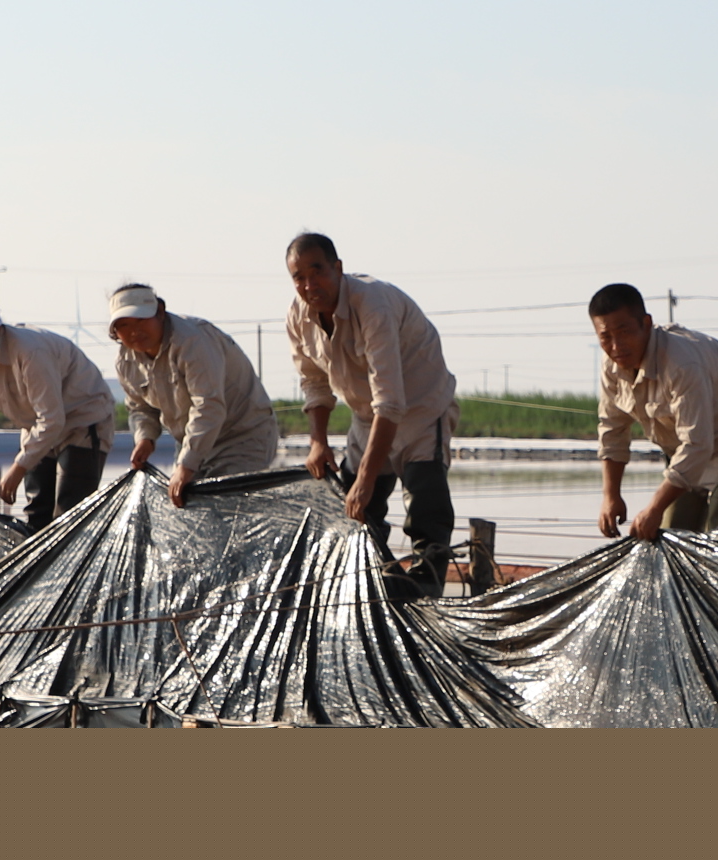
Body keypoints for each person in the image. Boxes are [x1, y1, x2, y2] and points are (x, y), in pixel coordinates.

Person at [284, 232, 458, 598]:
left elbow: (391, 400)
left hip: (421, 406)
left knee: (425, 502)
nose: (310, 285)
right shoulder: (298, 316)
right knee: (355, 509)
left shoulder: (372, 305)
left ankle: (426, 593)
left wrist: (366, 478)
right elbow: (314, 383)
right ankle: (376, 585)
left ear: (338, 268)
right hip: (367, 416)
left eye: (318, 272)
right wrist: (318, 443)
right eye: (299, 277)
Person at [588, 284, 718, 540]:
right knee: (670, 534)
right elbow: (612, 429)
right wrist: (611, 497)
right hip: (684, 449)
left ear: (646, 324)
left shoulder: (681, 364)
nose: (616, 346)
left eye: (624, 332)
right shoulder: (612, 364)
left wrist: (654, 507)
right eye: (605, 337)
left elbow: (698, 444)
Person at [0, 281, 117, 530]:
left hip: (82, 420)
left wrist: (18, 468)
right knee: (37, 514)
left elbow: (52, 418)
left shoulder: (30, 351)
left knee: (70, 514)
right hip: (36, 428)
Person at [105, 281, 281, 503]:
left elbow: (208, 405)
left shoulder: (192, 341)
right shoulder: (126, 361)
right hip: (191, 441)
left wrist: (186, 465)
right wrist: (145, 438)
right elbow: (140, 408)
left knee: (230, 506)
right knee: (187, 507)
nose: (134, 331)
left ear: (160, 312)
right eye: (124, 325)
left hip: (241, 436)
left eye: (141, 320)